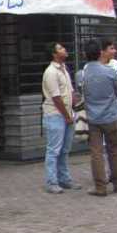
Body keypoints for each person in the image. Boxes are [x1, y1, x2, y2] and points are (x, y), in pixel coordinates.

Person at [76, 39, 117, 196]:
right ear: (100, 53)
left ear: (85, 54)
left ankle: (100, 187)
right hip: (111, 116)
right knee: (115, 151)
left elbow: (81, 94)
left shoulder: (82, 75)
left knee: (96, 153)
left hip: (93, 119)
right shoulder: (110, 71)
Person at [41, 42, 81, 193]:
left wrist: (75, 109)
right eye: (60, 49)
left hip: (68, 114)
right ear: (54, 54)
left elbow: (70, 92)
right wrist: (67, 116)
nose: (64, 50)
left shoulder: (64, 69)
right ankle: (52, 182)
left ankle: (64, 179)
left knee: (65, 150)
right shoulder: (51, 72)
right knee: (54, 150)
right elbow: (56, 97)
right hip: (55, 115)